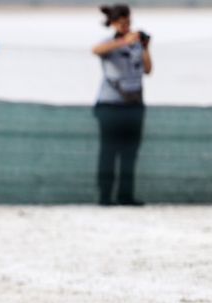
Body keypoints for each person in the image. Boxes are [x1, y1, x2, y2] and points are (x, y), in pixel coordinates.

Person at [91, 4, 151, 206]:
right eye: (123, 23)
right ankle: (105, 196)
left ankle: (126, 195)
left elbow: (148, 69)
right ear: (115, 24)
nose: (127, 27)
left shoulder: (136, 45)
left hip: (134, 105)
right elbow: (96, 50)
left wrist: (144, 47)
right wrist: (122, 41)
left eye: (129, 23)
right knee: (108, 151)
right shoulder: (110, 43)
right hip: (110, 104)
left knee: (130, 152)